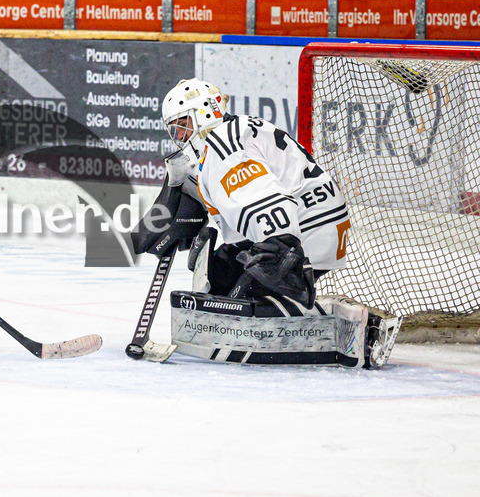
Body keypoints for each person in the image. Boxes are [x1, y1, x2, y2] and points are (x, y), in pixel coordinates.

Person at [133, 79, 398, 368]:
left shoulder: (224, 146)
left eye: (183, 124)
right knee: (219, 283)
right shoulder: (222, 141)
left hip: (307, 227)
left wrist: (280, 251)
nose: (180, 135)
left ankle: (358, 329)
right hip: (310, 220)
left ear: (205, 113)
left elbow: (268, 198)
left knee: (241, 305)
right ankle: (295, 299)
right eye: (174, 129)